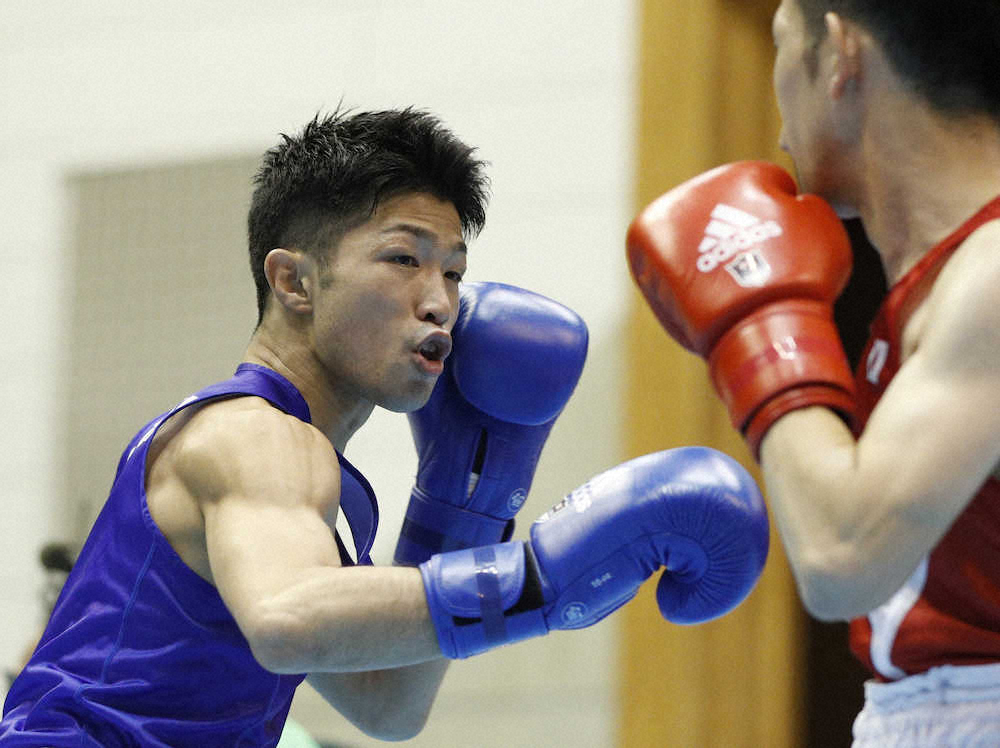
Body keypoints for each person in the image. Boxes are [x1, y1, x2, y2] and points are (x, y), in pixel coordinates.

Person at [1, 108, 770, 747]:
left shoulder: (319, 491)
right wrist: (544, 580)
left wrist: (464, 511)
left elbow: (388, 703)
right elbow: (285, 621)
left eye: (454, 271)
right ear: (293, 281)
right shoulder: (249, 437)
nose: (440, 301)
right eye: (404, 258)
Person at [627, 0, 1000, 744]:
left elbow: (843, 554)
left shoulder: (992, 275)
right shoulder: (951, 281)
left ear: (838, 52)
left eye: (779, 43)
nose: (776, 106)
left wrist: (759, 323)